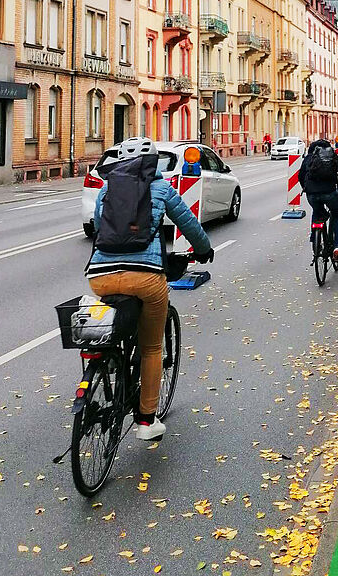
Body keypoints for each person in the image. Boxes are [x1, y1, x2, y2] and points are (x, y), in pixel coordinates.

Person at [87, 137, 213, 441]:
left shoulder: (107, 188)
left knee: (113, 329)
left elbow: (97, 225)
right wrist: (203, 249)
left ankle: (108, 365)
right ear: (153, 163)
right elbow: (188, 223)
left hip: (100, 276)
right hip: (145, 278)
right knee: (152, 348)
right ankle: (145, 420)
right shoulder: (161, 188)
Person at [299, 139, 338, 263]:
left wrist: (307, 188)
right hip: (330, 194)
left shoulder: (309, 158)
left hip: (311, 195)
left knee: (317, 212)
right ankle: (337, 248)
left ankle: (315, 240)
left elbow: (300, 176)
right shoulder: (332, 157)